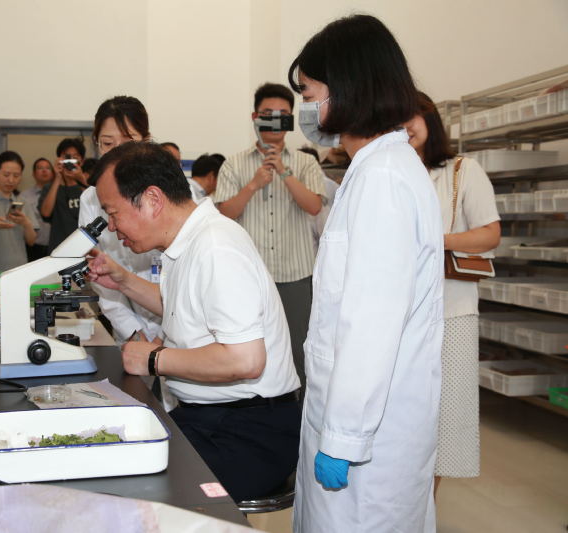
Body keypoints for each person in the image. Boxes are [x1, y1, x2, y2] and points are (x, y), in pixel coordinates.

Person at [287, 14, 444, 532]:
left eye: (309, 93)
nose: (305, 109)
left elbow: (371, 323)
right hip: (361, 416)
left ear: (347, 88)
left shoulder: (384, 179)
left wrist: (343, 438)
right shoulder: (375, 170)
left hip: (368, 438)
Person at [87, 142, 301, 502]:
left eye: (113, 213)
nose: (111, 226)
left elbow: (245, 360)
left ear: (152, 199)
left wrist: (154, 360)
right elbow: (181, 306)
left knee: (125, 491)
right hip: (211, 418)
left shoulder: (216, 247)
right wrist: (123, 281)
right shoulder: (187, 242)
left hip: (247, 434)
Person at [405, 91, 500, 495]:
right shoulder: (389, 174)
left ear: (430, 118)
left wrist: (436, 240)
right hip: (400, 312)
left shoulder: (463, 170)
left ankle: (425, 509)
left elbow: (490, 233)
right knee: (405, 418)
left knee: (443, 419)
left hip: (451, 311)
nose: (404, 126)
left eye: (411, 116)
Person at [213, 82, 326, 387]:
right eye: (268, 114)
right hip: (250, 276)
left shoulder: (306, 162)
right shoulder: (234, 164)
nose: (275, 121)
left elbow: (314, 206)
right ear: (255, 117)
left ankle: (298, 414)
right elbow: (224, 214)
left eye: (282, 115)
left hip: (296, 275)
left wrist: (285, 173)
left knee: (299, 351)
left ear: (290, 119)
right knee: (251, 351)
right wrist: (253, 185)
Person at [78, 96, 162, 345]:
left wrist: (164, 336)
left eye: (129, 142)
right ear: (96, 143)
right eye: (107, 143)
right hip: (128, 330)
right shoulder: (91, 200)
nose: (118, 153)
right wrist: (133, 332)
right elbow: (100, 273)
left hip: (177, 329)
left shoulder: (167, 189)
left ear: (146, 141)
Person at [39, 138, 88, 253]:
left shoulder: (87, 185)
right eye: (67, 157)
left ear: (82, 161)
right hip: (58, 247)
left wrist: (81, 179)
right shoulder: (50, 187)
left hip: (85, 247)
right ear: (59, 160)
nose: (70, 161)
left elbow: (99, 205)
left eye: (75, 157)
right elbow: (45, 213)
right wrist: (57, 177)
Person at [20, 157, 55, 261]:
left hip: (56, 245)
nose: (44, 171)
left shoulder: (58, 193)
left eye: (48, 168)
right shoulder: (24, 196)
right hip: (33, 247)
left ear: (53, 173)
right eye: (40, 168)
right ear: (33, 174)